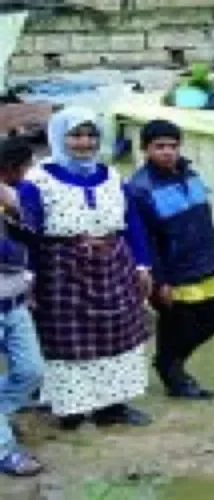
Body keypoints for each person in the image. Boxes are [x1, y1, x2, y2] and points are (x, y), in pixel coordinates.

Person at [17, 107, 153, 430]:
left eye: (91, 135)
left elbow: (132, 222)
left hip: (113, 266)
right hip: (61, 271)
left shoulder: (111, 177)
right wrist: (29, 276)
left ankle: (112, 407)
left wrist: (142, 264)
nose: (85, 142)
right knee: (68, 341)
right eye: (76, 135)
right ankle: (70, 409)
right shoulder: (38, 180)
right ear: (59, 138)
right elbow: (27, 232)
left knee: (116, 335)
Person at [127, 120, 214, 400]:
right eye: (160, 146)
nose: (167, 152)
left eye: (172, 146)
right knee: (176, 324)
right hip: (171, 270)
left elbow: (204, 219)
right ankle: (174, 375)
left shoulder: (191, 175)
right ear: (145, 149)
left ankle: (168, 362)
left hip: (203, 262)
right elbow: (146, 239)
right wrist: (161, 279)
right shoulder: (139, 188)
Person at [0, 138, 45, 476]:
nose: (27, 172)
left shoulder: (17, 195)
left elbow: (33, 231)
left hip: (14, 301)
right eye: (25, 166)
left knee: (31, 371)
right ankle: (5, 452)